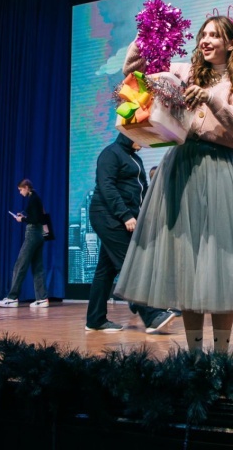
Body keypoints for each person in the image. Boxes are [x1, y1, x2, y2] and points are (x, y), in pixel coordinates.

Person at [114, 14, 233, 353]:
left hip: (220, 172)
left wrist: (211, 99)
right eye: (203, 34)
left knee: (219, 264)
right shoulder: (184, 71)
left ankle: (221, 356)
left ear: (231, 43)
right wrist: (147, 35)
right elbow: (134, 72)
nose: (205, 40)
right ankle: (194, 356)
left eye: (214, 35)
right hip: (182, 167)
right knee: (186, 263)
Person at [85, 134, 176, 333]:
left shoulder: (134, 158)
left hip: (120, 217)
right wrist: (125, 215)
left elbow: (141, 189)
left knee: (106, 270)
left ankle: (95, 319)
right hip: (107, 216)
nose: (143, 142)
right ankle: (151, 315)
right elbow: (107, 186)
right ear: (129, 134)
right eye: (140, 137)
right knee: (131, 264)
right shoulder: (110, 154)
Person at [0, 179, 49, 308]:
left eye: (21, 190)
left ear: (26, 187)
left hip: (32, 234)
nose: (20, 193)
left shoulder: (33, 199)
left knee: (20, 265)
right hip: (39, 234)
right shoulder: (36, 198)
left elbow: (35, 219)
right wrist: (24, 215)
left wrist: (22, 219)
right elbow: (39, 217)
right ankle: (42, 298)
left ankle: (12, 298)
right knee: (37, 267)